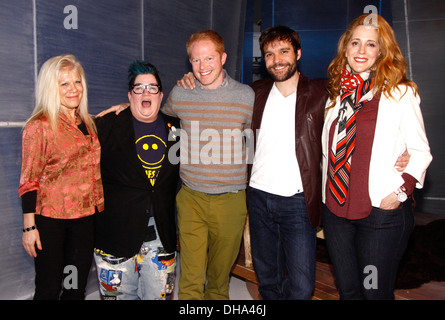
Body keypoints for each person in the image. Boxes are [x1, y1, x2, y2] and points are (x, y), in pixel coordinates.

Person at [321, 14, 432, 300]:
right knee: (348, 290)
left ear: (381, 51)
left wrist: (399, 192)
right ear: (345, 48)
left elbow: (420, 151)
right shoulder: (337, 94)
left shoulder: (400, 93)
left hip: (380, 215)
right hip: (336, 212)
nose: (361, 51)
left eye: (370, 45)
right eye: (355, 43)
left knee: (374, 292)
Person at [245, 26, 328, 300]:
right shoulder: (254, 92)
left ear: (298, 54)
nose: (276, 60)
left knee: (302, 287)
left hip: (297, 203)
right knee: (268, 281)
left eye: (283, 51)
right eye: (269, 54)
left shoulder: (320, 93)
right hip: (257, 198)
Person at [18, 54, 104, 300]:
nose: (73, 89)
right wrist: (29, 227)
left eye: (77, 82)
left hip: (85, 220)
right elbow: (29, 180)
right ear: (51, 87)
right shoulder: (40, 126)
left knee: (75, 288)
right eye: (64, 83)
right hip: (51, 222)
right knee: (48, 289)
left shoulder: (87, 122)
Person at [93, 61, 180, 300]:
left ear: (161, 95)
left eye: (152, 88)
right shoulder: (106, 125)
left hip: (160, 235)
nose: (145, 93)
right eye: (139, 88)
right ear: (129, 94)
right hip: (114, 236)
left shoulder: (177, 130)